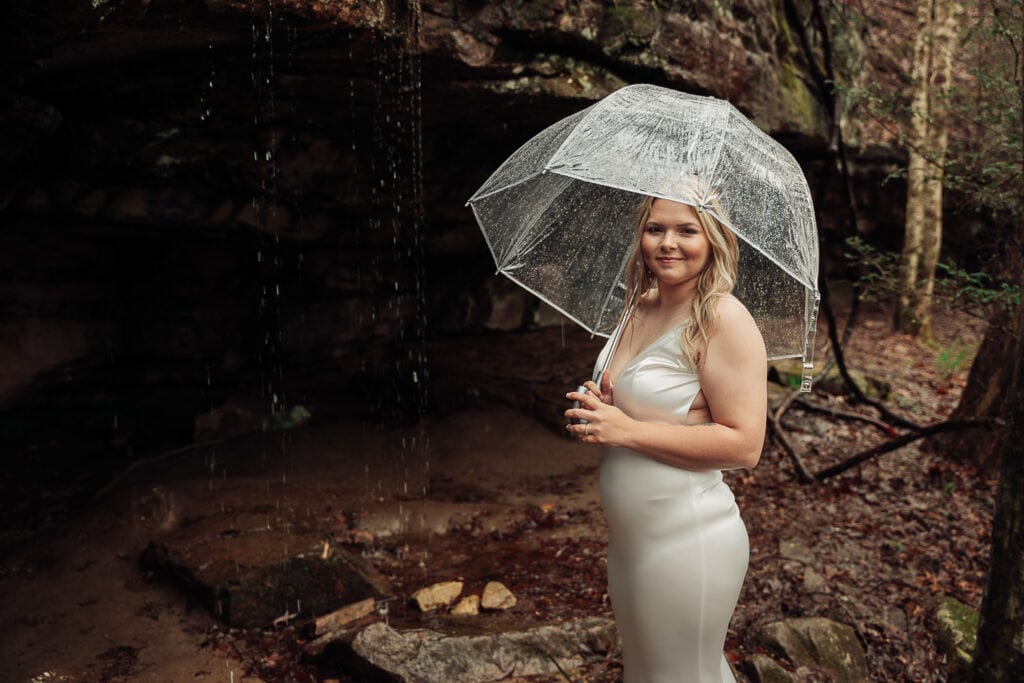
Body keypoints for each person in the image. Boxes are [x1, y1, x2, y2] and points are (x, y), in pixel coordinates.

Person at [565, 194, 767, 683]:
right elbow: (649, 408)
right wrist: (606, 406)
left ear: (714, 239)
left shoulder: (723, 318)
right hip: (632, 539)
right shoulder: (639, 304)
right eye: (655, 229)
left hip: (688, 537)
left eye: (686, 230)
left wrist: (627, 429)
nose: (668, 243)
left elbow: (745, 446)